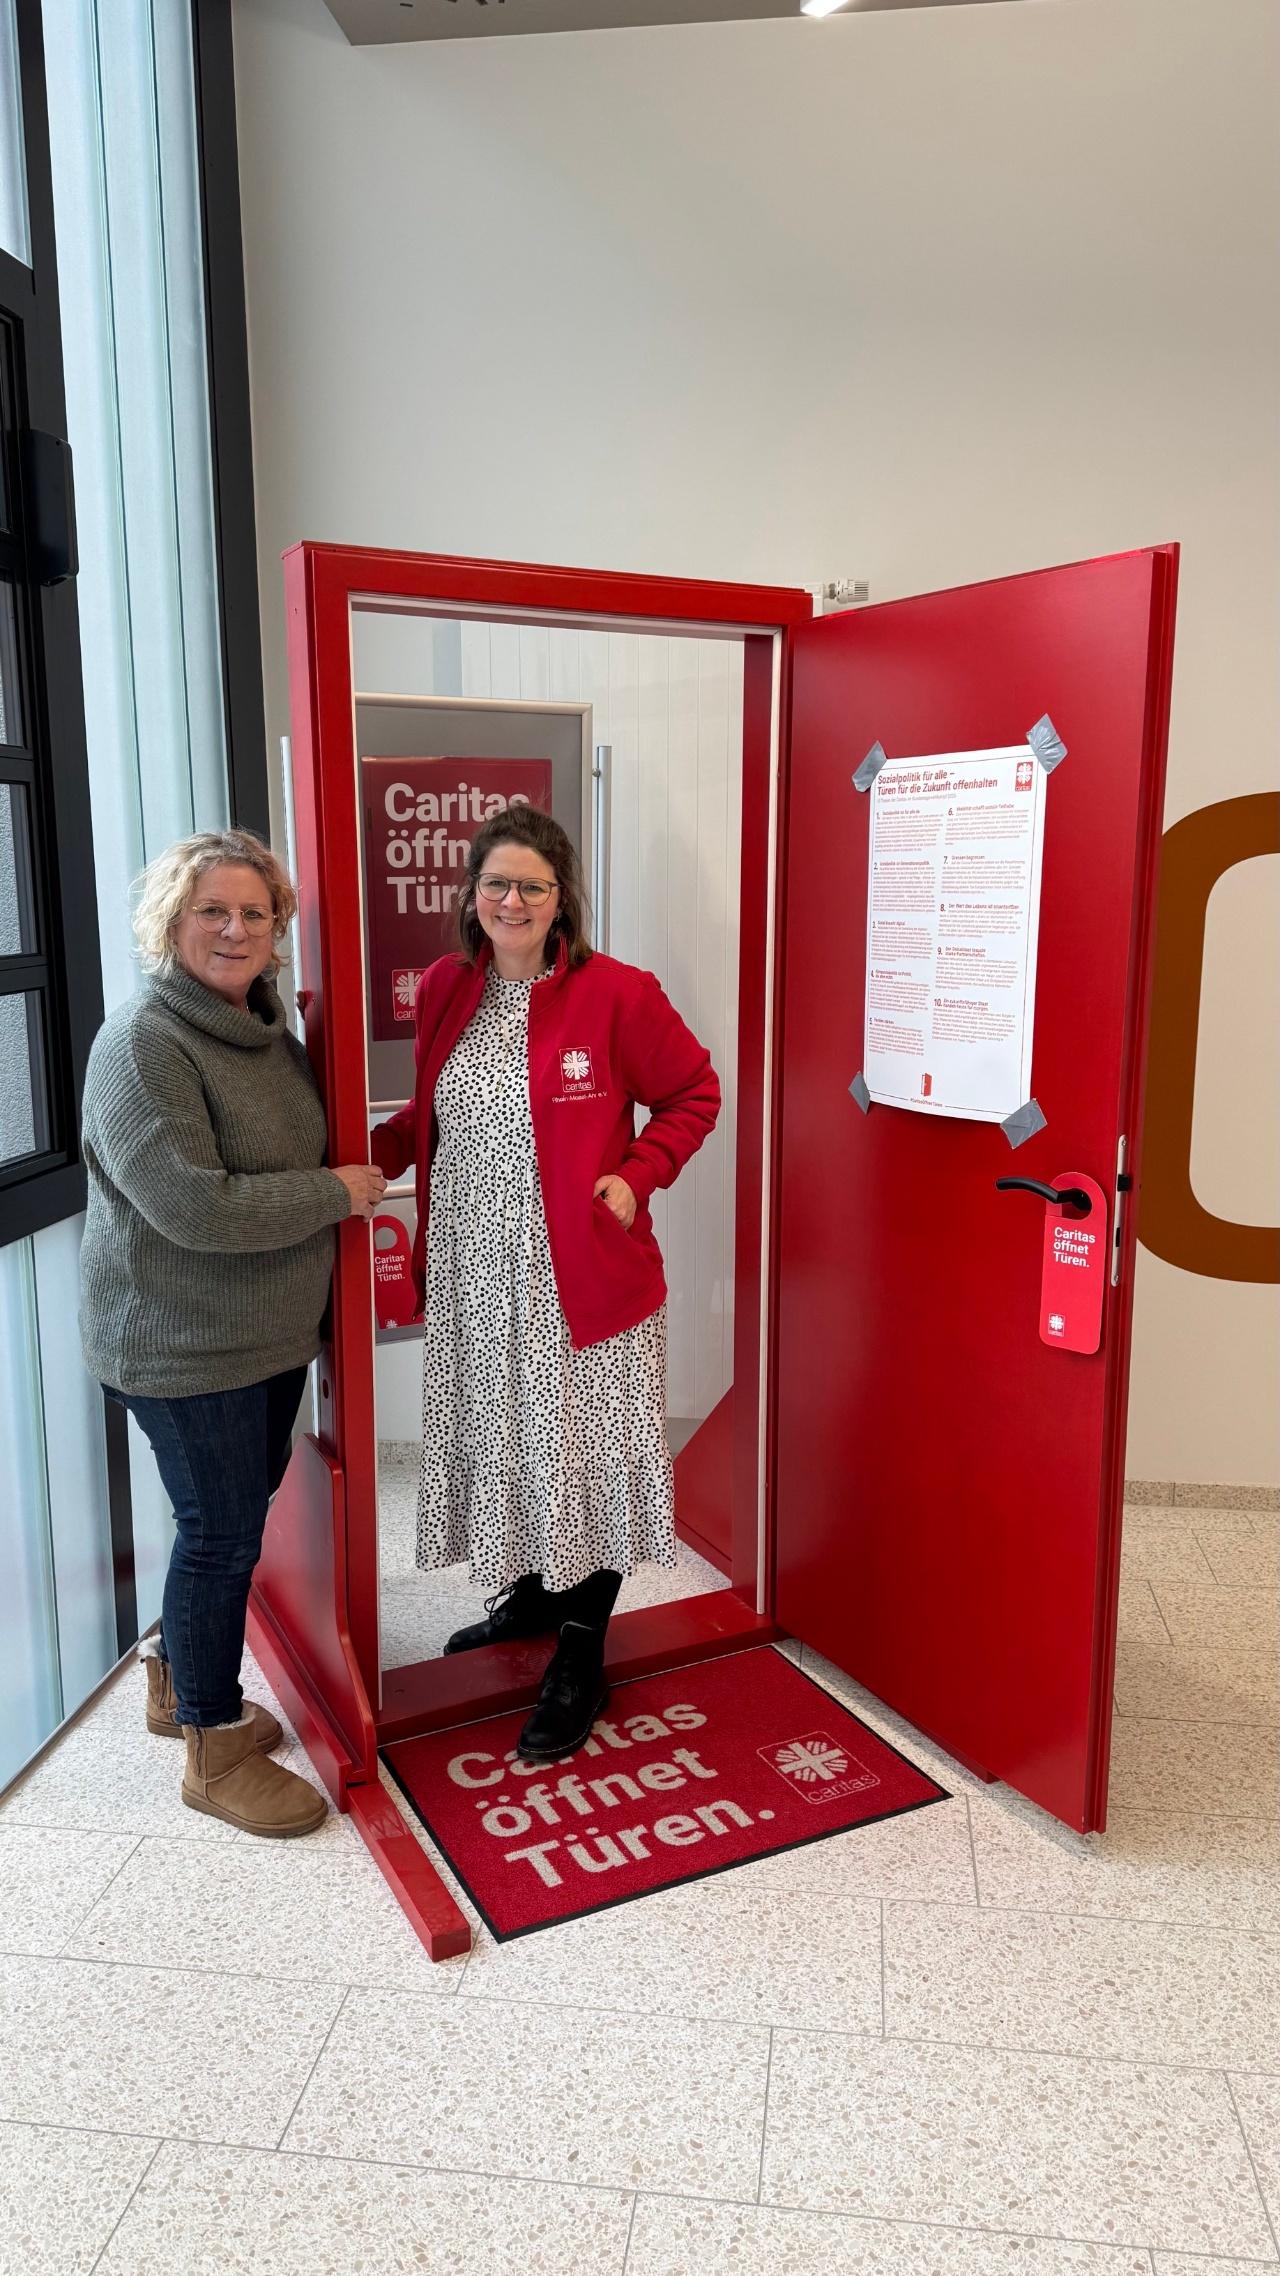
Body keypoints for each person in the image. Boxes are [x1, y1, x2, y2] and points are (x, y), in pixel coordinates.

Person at [372, 806, 720, 1761]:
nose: (512, 901)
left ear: (562, 897)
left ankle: (582, 1649)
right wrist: (368, 1154)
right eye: (496, 884)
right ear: (472, 896)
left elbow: (696, 1092)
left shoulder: (618, 994)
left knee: (589, 1458)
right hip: (479, 1271)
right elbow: (426, 1112)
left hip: (585, 1279)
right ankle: (529, 1595)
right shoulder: (447, 986)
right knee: (512, 1442)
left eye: (532, 885)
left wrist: (637, 1174)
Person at [79, 829, 386, 1837]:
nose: (236, 927)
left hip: (263, 1338)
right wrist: (332, 1195)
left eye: (256, 911)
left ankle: (175, 1683)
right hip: (177, 1344)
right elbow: (193, 1207)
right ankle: (211, 1746)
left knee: (223, 1519)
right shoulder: (143, 1044)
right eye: (213, 908)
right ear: (172, 920)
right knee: (221, 1535)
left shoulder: (267, 1032)